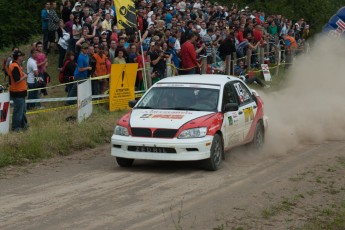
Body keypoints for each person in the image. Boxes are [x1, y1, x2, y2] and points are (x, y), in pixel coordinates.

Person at [8, 50, 28, 132]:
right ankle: (16, 128)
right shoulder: (14, 66)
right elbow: (17, 80)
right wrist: (25, 76)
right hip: (17, 92)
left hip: (20, 92)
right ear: (18, 57)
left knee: (22, 110)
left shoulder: (16, 65)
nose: (22, 57)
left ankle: (24, 126)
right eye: (21, 56)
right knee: (18, 111)